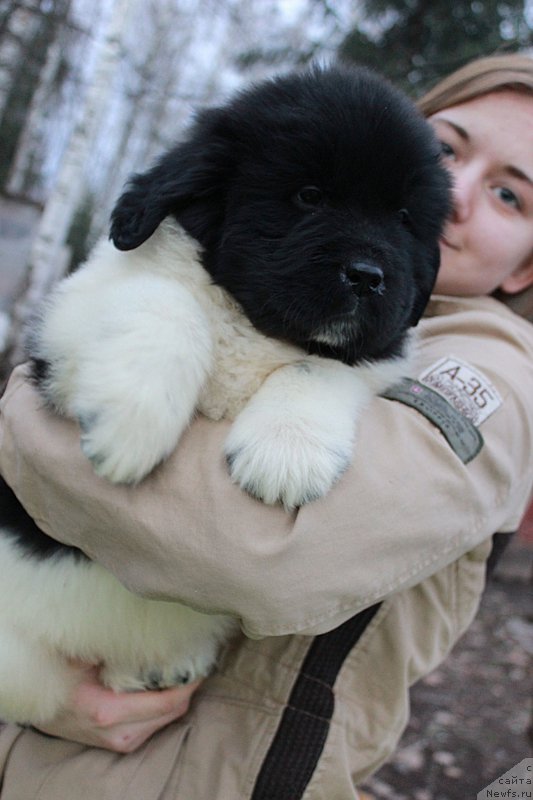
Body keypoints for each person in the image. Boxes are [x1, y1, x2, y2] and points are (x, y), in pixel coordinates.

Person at [0, 53, 532, 799]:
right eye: (447, 151)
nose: (462, 201)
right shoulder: (231, 248)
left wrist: (28, 421)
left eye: (511, 195)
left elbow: (258, 552)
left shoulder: (494, 373)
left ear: (524, 270)